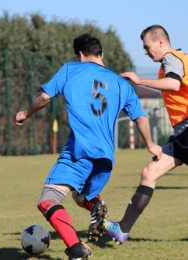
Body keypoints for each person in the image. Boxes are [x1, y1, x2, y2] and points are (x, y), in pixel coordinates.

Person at [16, 33, 162, 260]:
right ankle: (95, 205)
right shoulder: (121, 83)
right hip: (105, 157)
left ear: (80, 54)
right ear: (101, 54)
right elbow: (141, 118)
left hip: (79, 150)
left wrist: (25, 113)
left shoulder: (70, 69)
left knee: (48, 200)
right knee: (79, 194)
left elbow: (45, 97)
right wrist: (151, 145)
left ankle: (76, 249)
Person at [104, 25, 188, 244]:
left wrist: (140, 81)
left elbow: (173, 83)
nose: (145, 52)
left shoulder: (171, 59)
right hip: (182, 135)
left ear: (160, 42)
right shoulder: (180, 59)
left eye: (147, 46)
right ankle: (122, 229)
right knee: (150, 172)